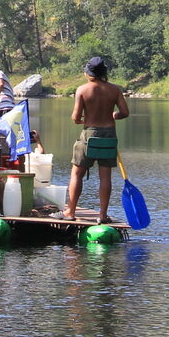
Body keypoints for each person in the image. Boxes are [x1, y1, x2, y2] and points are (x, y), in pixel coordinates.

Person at [64, 56, 129, 223]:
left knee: (77, 174)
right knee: (105, 176)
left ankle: (70, 212)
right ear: (104, 73)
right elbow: (124, 112)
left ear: (88, 73)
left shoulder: (82, 90)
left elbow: (76, 117)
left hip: (89, 135)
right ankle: (102, 215)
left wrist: (81, 119)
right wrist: (112, 114)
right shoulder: (114, 90)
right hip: (109, 134)